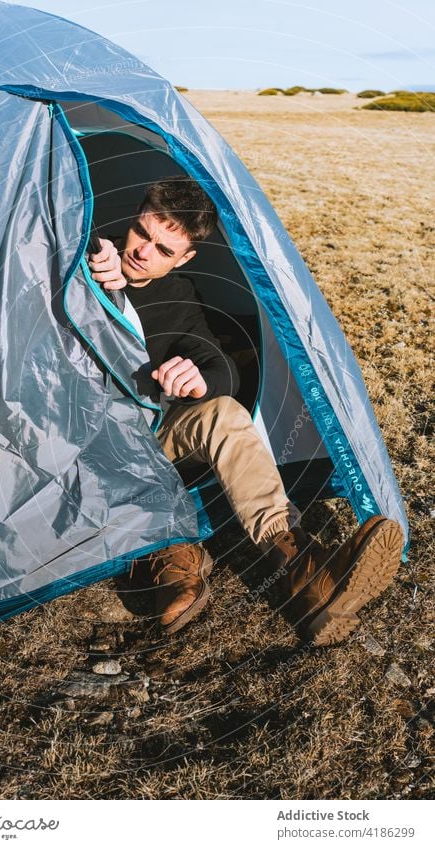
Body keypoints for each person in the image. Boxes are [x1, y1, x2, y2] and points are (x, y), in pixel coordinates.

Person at [87, 176, 404, 645]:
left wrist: (201, 379)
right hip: (74, 438)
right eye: (140, 233)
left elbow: (221, 368)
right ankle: (176, 556)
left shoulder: (179, 297)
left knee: (225, 414)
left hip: (146, 438)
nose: (142, 253)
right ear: (132, 218)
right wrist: (91, 266)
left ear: (185, 257)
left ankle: (304, 574)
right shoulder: (89, 252)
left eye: (163, 250)